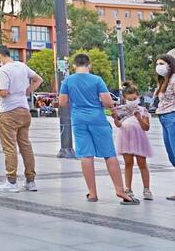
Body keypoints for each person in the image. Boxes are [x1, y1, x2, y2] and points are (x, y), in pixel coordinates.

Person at [58, 53, 138, 204]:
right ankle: (120, 190)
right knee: (109, 154)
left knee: (86, 155)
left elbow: (62, 102)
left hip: (78, 119)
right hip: (97, 119)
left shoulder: (67, 81)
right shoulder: (97, 80)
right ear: (90, 65)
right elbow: (108, 102)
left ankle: (93, 194)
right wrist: (98, 103)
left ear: (74, 65)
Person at [0, 45, 42, 193]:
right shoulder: (22, 66)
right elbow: (38, 80)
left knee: (9, 147)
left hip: (9, 111)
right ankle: (30, 181)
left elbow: (4, 93)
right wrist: (25, 92)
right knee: (25, 146)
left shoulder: (4, 70)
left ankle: (11, 182)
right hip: (24, 110)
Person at [112, 82, 154, 201]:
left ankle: (147, 189)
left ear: (138, 96)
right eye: (129, 99)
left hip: (139, 139)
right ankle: (128, 188)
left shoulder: (142, 110)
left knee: (142, 163)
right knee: (128, 163)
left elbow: (146, 127)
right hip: (126, 138)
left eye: (134, 98)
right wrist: (115, 119)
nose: (132, 101)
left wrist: (139, 118)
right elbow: (119, 125)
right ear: (125, 99)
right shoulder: (122, 110)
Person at [154, 53, 175, 200]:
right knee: (172, 156)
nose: (158, 67)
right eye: (157, 64)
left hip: (172, 116)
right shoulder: (164, 80)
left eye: (161, 64)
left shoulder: (173, 80)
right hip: (164, 118)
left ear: (170, 65)